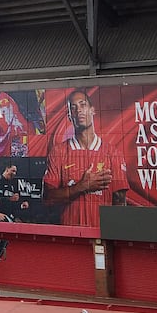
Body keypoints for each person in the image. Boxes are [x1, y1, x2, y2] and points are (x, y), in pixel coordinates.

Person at [42, 89, 128, 227]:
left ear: (92, 110)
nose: (79, 110)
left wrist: (114, 234)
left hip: (101, 234)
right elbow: (47, 197)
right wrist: (81, 186)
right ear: (69, 116)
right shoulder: (58, 152)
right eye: (73, 107)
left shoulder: (113, 153)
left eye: (83, 105)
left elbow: (120, 202)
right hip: (69, 234)